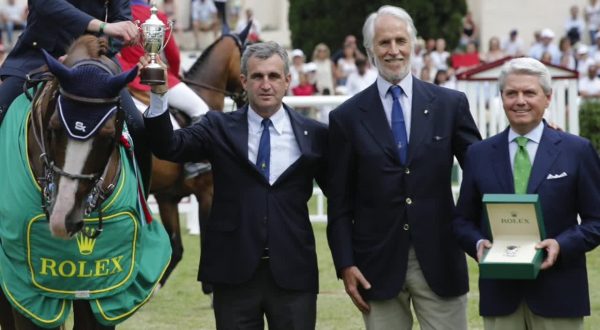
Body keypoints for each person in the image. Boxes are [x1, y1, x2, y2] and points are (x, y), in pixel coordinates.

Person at [142, 41, 328, 329]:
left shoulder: (315, 134)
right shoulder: (217, 127)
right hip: (233, 274)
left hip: (294, 274)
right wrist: (158, 95)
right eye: (257, 76)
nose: (266, 84)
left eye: (274, 76)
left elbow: (342, 198)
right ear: (243, 81)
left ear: (287, 81)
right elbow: (168, 146)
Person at [327, 5, 481, 330]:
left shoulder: (450, 105)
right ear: (370, 51)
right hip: (375, 264)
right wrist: (344, 264)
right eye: (384, 43)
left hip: (440, 255)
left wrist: (531, 132)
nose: (393, 50)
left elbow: (482, 167)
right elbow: (339, 203)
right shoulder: (346, 118)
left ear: (413, 44)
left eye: (400, 40)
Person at [453, 57, 600, 330]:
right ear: (502, 98)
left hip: (559, 293)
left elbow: (596, 221)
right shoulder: (479, 154)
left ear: (547, 98)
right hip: (501, 295)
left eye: (529, 93)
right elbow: (462, 221)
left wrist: (562, 244)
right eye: (511, 93)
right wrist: (478, 245)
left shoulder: (577, 151)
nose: (520, 101)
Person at [0, 1, 151, 193]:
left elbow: (121, 19)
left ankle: (142, 200)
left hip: (93, 58)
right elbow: (46, 5)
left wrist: (98, 47)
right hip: (38, 56)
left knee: (137, 126)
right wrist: (103, 26)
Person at [119, 0, 208, 123]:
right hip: (159, 77)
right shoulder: (158, 17)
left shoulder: (117, 17)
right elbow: (174, 57)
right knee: (201, 110)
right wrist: (175, 76)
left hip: (128, 78)